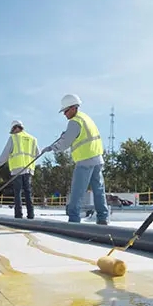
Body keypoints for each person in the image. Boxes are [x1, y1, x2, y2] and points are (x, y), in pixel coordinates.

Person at [42, 94, 110, 225]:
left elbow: (66, 143)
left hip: (85, 160)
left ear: (73, 108)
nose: (64, 114)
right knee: (99, 190)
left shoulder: (74, 122)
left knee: (77, 192)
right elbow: (77, 136)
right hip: (97, 159)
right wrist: (66, 135)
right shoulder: (86, 118)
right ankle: (103, 218)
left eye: (66, 111)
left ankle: (73, 220)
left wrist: (51, 148)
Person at [0, 120, 39, 219]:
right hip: (29, 170)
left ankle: (18, 215)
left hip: (17, 169)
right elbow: (37, 154)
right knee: (28, 191)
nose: (12, 132)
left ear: (15, 128)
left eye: (12, 130)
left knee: (18, 192)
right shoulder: (33, 139)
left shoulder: (14, 138)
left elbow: (5, 154)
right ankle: (31, 215)